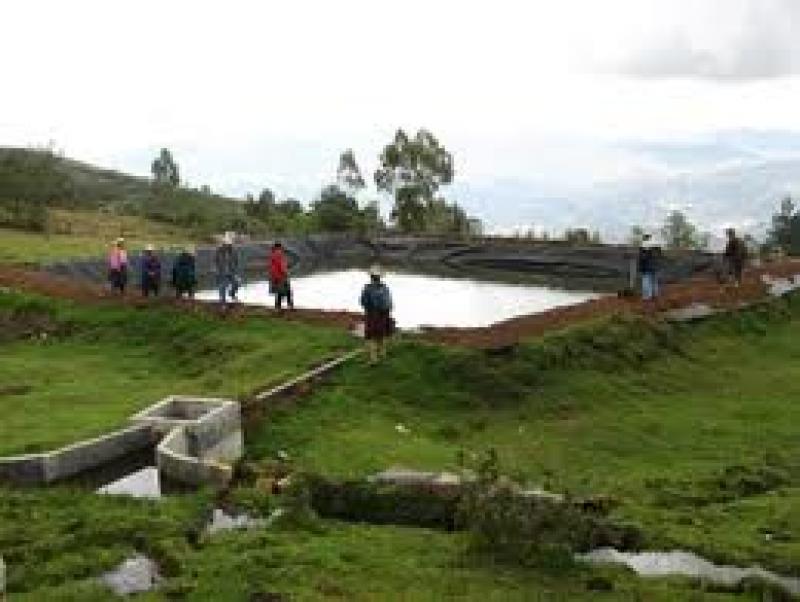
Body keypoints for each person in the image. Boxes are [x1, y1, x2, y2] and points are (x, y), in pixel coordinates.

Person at [360, 265, 394, 364]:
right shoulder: (385, 288)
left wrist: (369, 308)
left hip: (372, 315)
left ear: (371, 277)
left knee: (371, 337)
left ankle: (374, 359)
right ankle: (382, 354)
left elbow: (363, 302)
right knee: (381, 335)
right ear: (380, 277)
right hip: (384, 315)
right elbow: (390, 304)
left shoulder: (368, 288)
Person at [215, 233, 240, 306]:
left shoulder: (234, 251)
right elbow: (216, 261)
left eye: (229, 244)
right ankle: (222, 302)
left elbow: (236, 261)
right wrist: (217, 270)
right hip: (222, 272)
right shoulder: (219, 251)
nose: (228, 245)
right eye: (227, 244)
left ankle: (232, 294)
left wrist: (235, 272)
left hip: (231, 271)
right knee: (222, 286)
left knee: (237, 283)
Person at [269, 242, 293, 309]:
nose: (282, 249)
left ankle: (278, 306)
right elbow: (282, 266)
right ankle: (289, 305)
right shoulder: (280, 255)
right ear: (279, 247)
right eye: (281, 247)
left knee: (278, 292)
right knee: (288, 291)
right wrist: (287, 273)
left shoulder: (272, 255)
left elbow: (271, 267)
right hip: (281, 276)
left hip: (274, 277)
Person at [638, 233, 661, 301]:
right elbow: (659, 255)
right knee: (654, 281)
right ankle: (654, 294)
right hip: (655, 266)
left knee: (646, 281)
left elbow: (643, 258)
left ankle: (647, 296)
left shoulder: (644, 245)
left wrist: (641, 266)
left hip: (647, 266)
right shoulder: (656, 246)